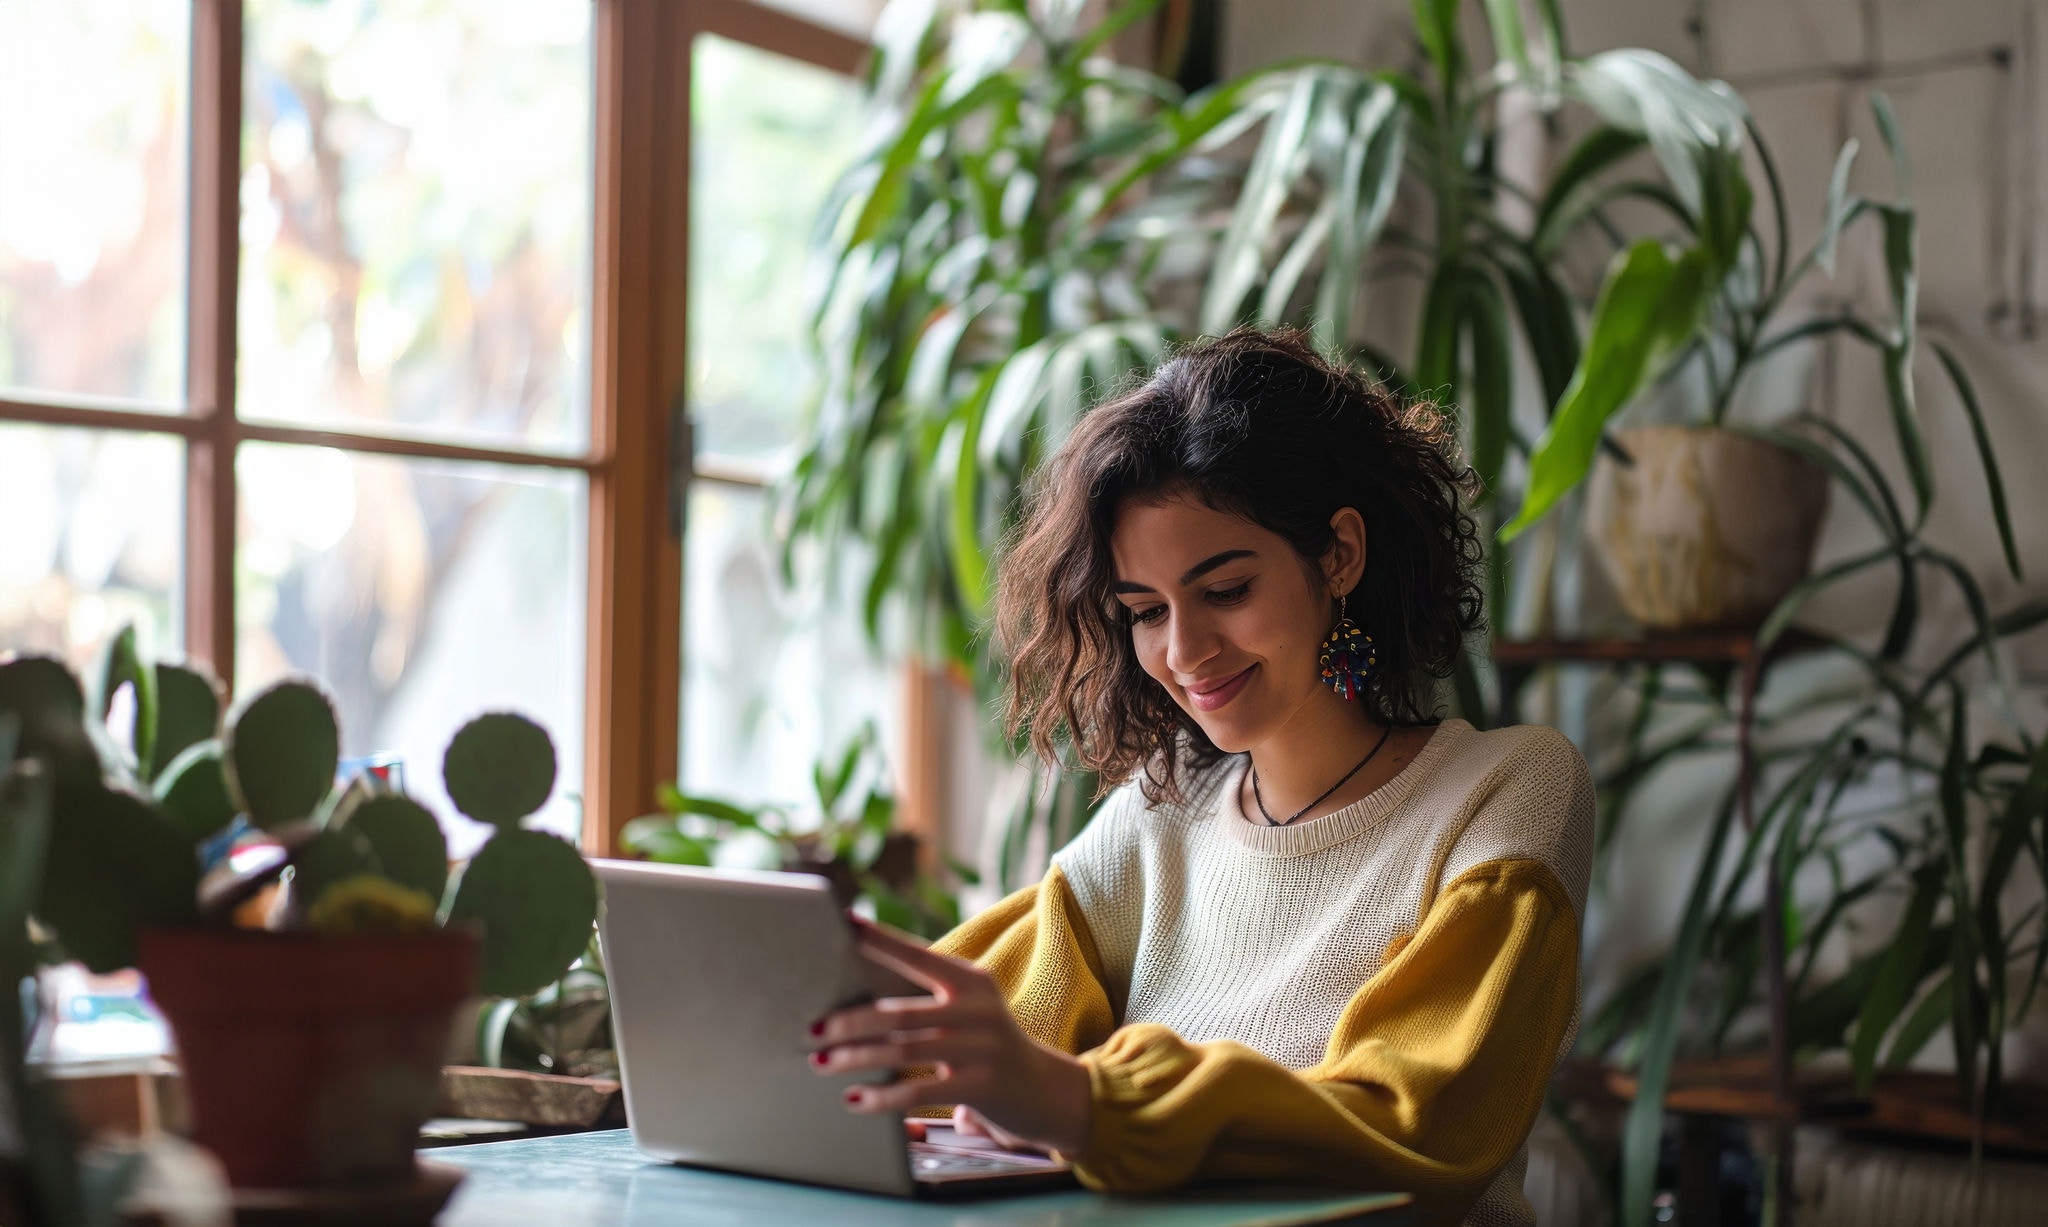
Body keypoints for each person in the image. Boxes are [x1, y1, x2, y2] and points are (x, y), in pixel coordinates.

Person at [806, 328, 1593, 1227]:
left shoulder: (1506, 790)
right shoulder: (1164, 806)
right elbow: (969, 1032)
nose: (1183, 652)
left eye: (1225, 591)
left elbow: (1410, 1125)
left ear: (1339, 553)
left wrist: (1084, 1103)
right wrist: (797, 1042)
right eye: (1146, 611)